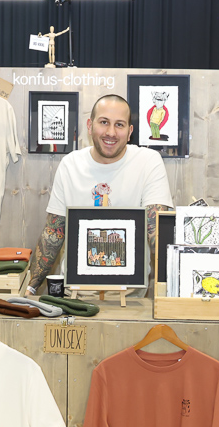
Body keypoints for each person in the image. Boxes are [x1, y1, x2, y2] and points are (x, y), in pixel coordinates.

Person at [27, 94, 173, 293]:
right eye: (104, 122)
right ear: (90, 126)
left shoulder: (148, 162)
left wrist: (177, 285)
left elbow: (155, 230)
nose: (111, 132)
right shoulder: (70, 164)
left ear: (130, 132)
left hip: (130, 296)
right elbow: (54, 232)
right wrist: (30, 288)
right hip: (74, 294)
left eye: (119, 125)